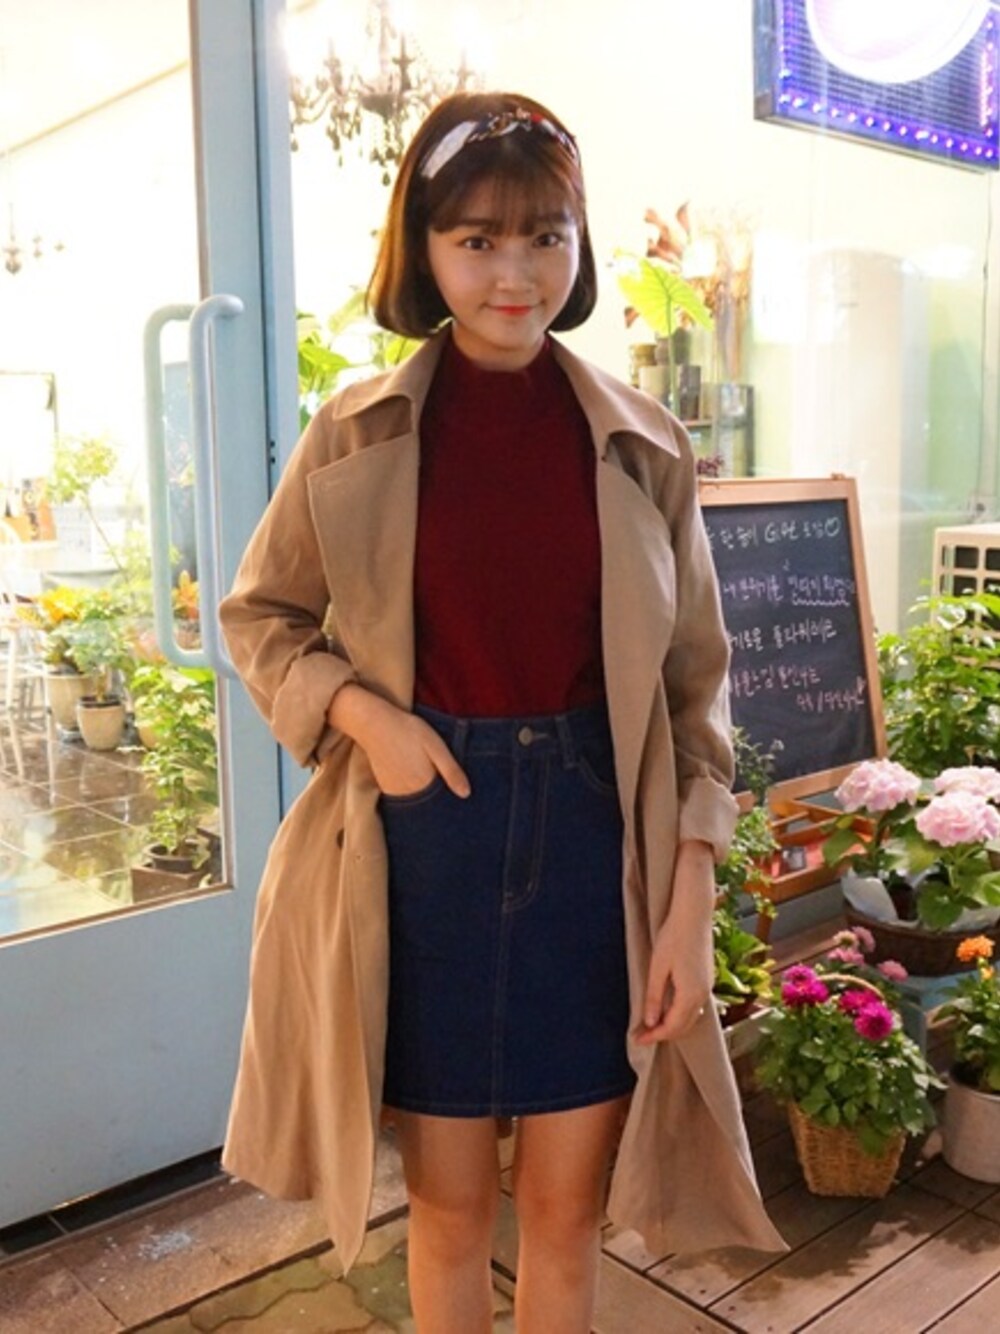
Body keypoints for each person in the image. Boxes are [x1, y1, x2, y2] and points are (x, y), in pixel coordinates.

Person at [219, 90, 785, 1334]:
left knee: (569, 1217)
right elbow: (261, 616)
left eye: (545, 236)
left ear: (579, 248)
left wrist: (689, 898)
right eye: (477, 239)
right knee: (450, 1213)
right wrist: (369, 720)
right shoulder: (354, 428)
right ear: (422, 250)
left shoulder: (642, 445)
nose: (515, 273)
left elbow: (695, 688)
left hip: (599, 843)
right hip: (425, 840)